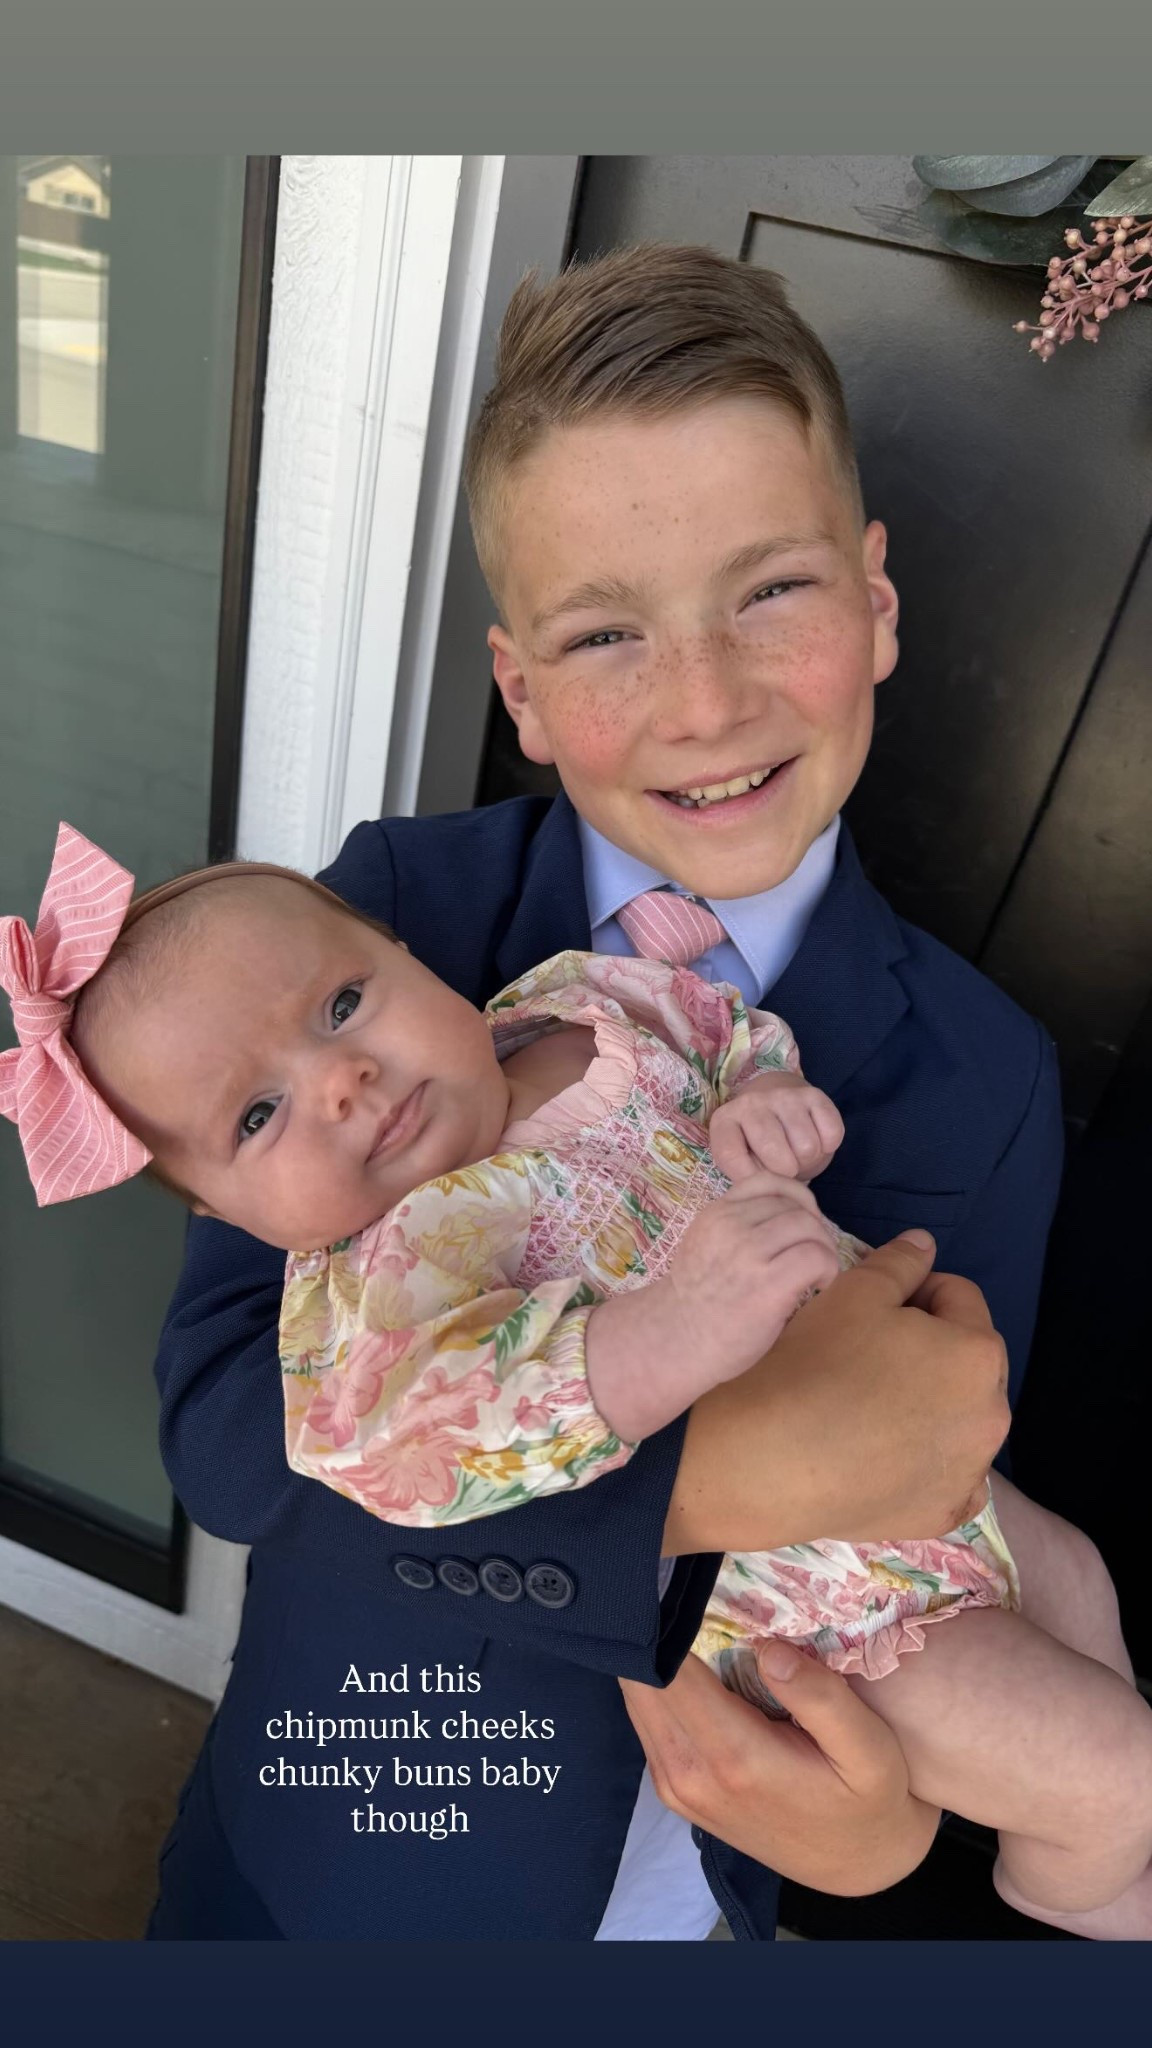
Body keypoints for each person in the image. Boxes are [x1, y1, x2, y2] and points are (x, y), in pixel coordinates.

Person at [12, 243, 1063, 1941]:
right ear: (517, 687)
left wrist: (868, 1841)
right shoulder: (369, 938)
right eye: (603, 630)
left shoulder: (986, 1073)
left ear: (874, 602)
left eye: (771, 590)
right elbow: (231, 1437)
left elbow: (934, 1483)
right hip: (345, 1824)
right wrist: (703, 1481)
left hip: (676, 1875)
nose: (705, 699)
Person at [4, 838, 1146, 1937]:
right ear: (224, 1213)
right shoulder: (382, 1284)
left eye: (343, 1004)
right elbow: (404, 1452)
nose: (343, 1081)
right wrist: (663, 1336)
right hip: (828, 1615)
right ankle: (1081, 1889)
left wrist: (759, 1096)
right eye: (258, 1115)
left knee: (1085, 1576)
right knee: (1115, 1775)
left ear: (405, 951)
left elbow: (719, 1032)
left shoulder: (580, 1007)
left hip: (942, 1493)